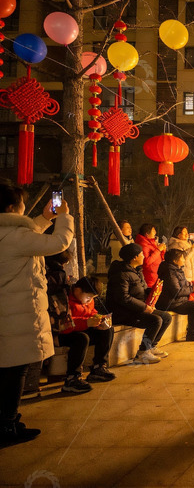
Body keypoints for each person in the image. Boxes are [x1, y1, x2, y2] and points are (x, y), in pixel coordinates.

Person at [0, 180, 72, 446]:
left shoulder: (10, 235)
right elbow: (59, 242)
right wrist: (63, 215)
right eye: (20, 202)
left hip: (5, 314)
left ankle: (6, 421)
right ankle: (7, 425)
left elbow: (23, 238)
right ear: (11, 207)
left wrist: (43, 218)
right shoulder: (16, 237)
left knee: (4, 370)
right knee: (14, 371)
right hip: (16, 315)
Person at [106, 243, 172, 364]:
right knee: (155, 320)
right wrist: (144, 307)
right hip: (123, 312)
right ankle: (143, 353)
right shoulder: (121, 274)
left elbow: (142, 289)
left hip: (137, 308)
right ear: (134, 257)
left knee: (166, 317)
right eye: (141, 253)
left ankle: (151, 346)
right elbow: (123, 297)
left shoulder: (137, 271)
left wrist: (154, 293)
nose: (143, 256)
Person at [57, 277, 116, 393]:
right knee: (82, 338)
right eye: (88, 297)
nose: (89, 300)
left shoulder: (87, 301)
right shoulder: (64, 299)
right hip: (64, 334)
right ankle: (72, 378)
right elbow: (63, 324)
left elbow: (91, 311)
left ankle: (98, 367)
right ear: (77, 290)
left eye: (92, 298)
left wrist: (98, 319)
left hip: (82, 328)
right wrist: (86, 323)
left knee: (107, 329)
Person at [156, 249, 194, 341]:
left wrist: (192, 284)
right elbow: (176, 291)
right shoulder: (170, 272)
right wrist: (192, 289)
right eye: (182, 258)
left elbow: (182, 284)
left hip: (179, 300)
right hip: (171, 302)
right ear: (175, 261)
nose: (184, 260)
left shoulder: (177, 269)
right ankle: (192, 333)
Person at [135, 223, 166, 288]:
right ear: (147, 234)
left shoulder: (151, 242)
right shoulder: (143, 244)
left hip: (155, 275)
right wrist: (158, 250)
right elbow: (147, 261)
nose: (155, 232)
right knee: (150, 296)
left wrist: (162, 250)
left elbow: (160, 258)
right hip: (150, 277)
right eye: (153, 230)